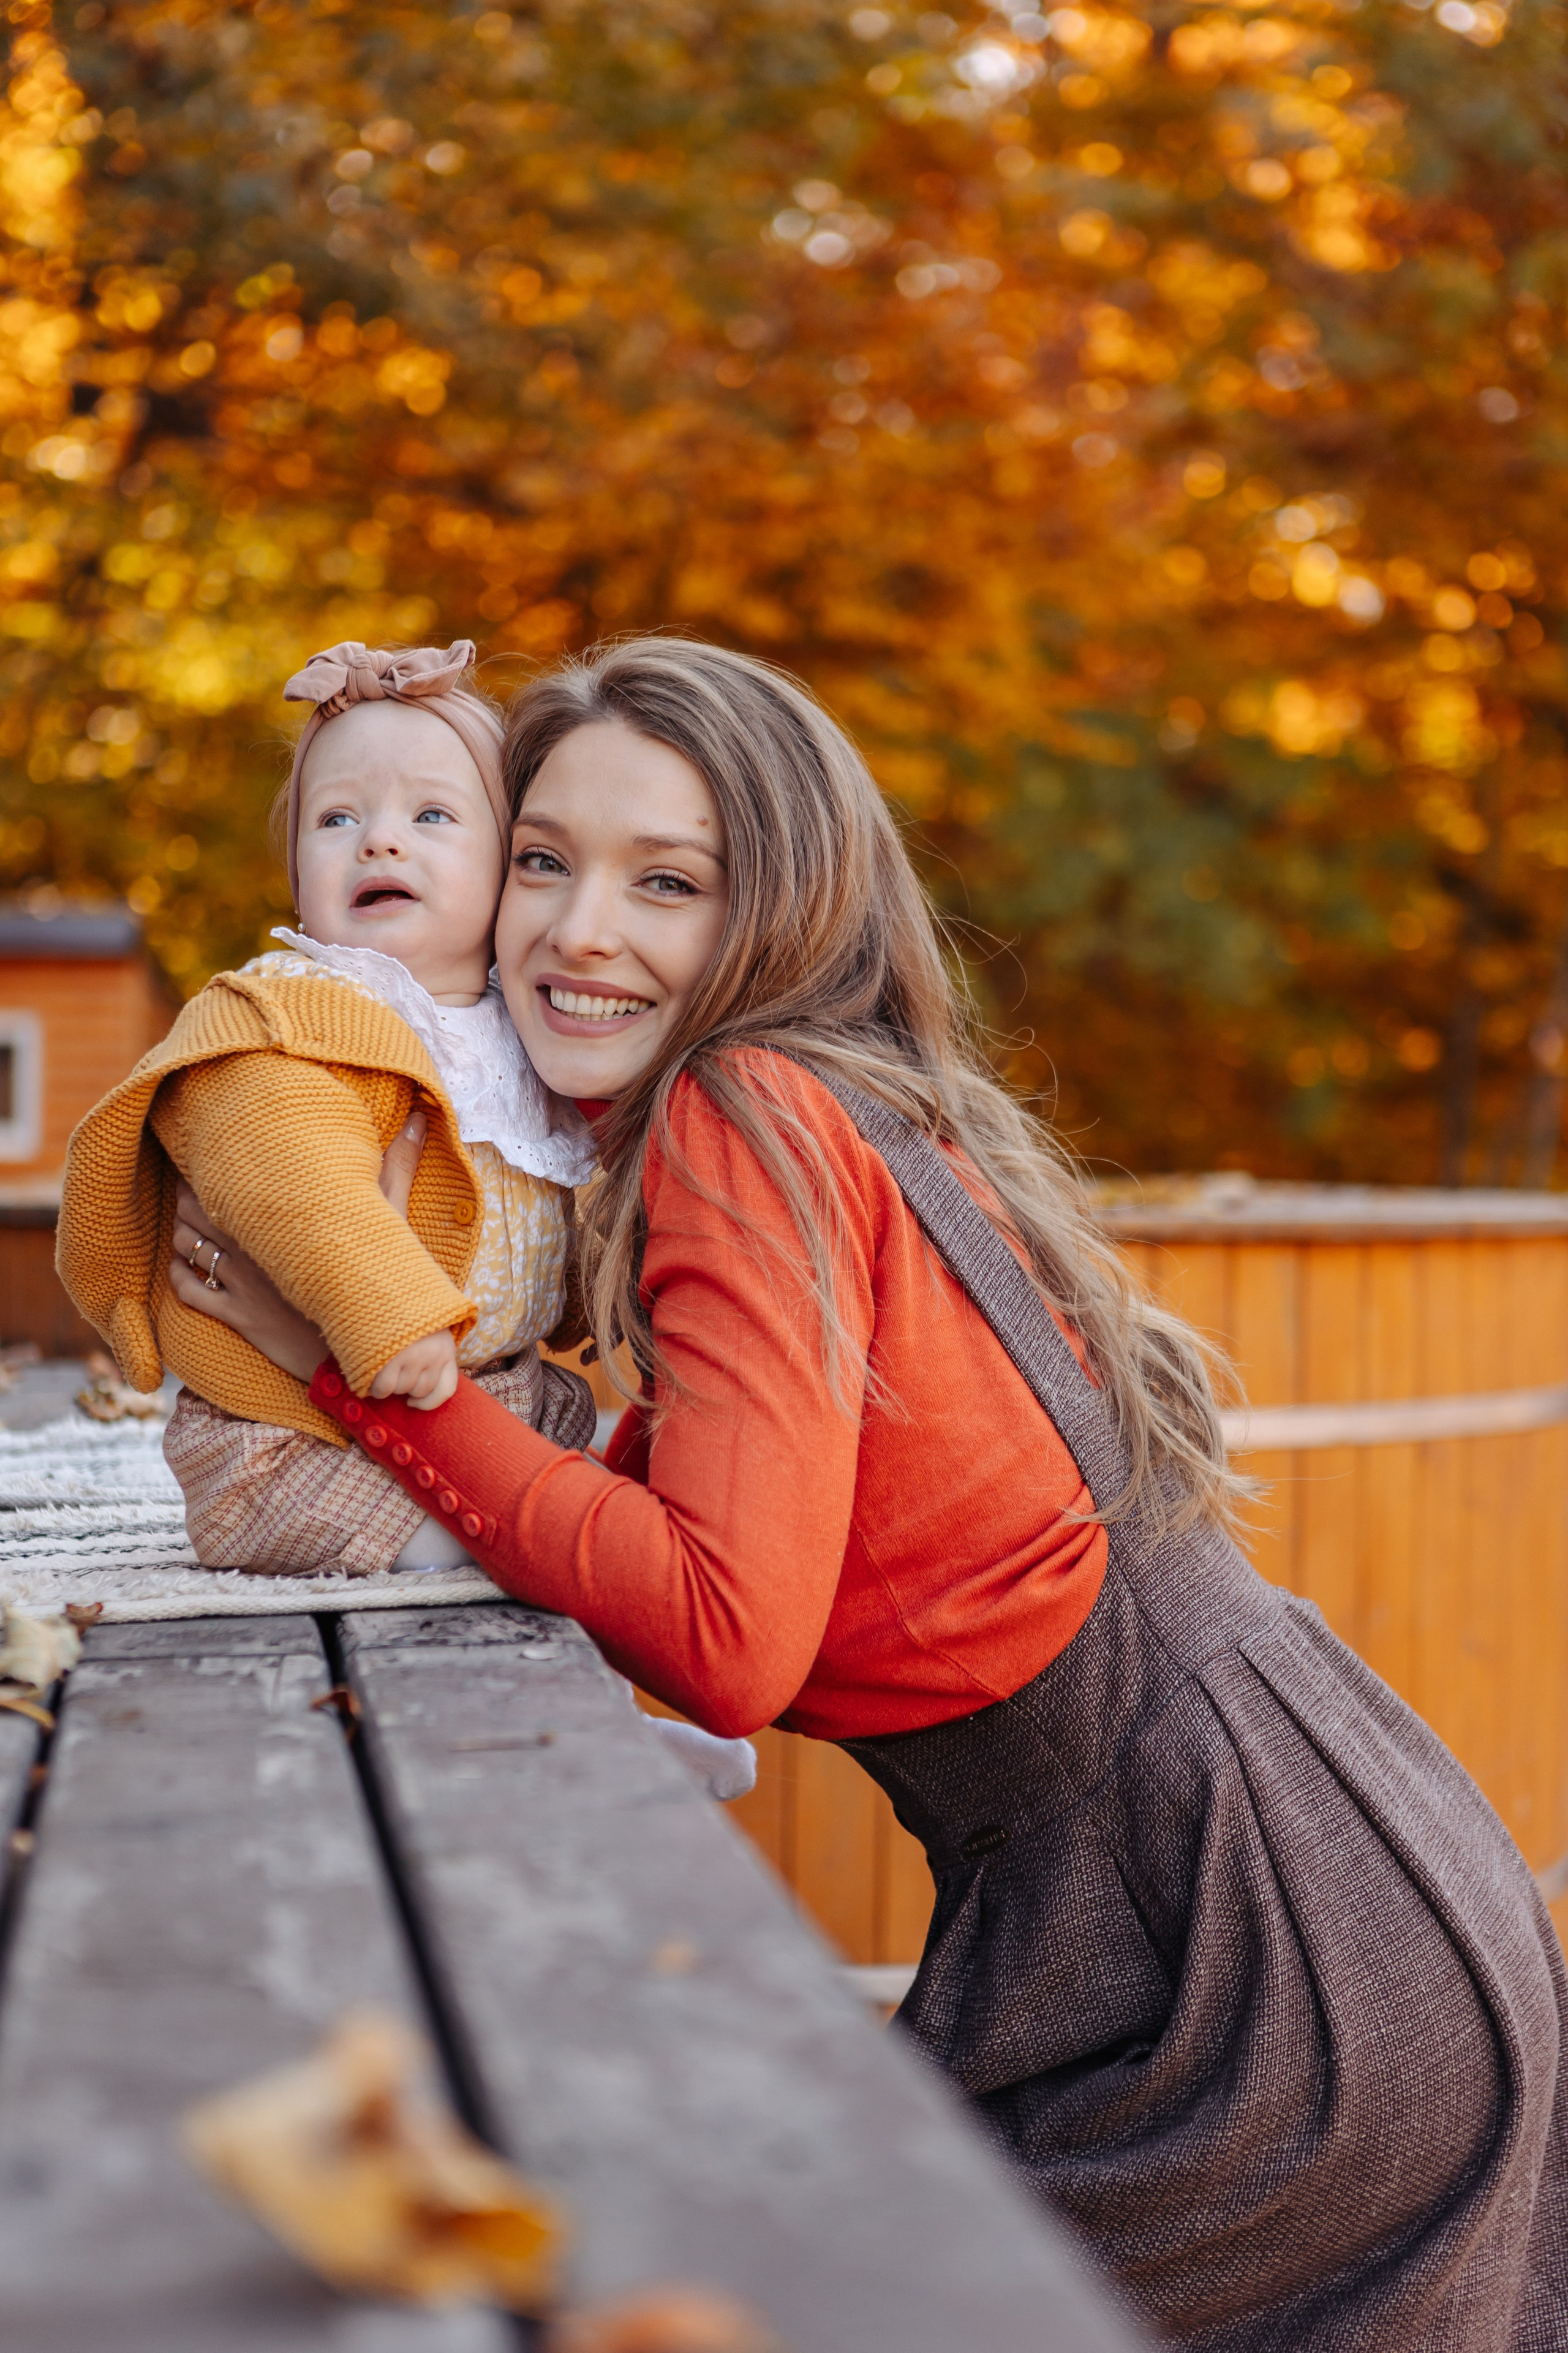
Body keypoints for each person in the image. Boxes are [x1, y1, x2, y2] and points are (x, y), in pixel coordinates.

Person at [170, 635, 1568, 2349]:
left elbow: (723, 1630)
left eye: (665, 881)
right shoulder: (835, 1103)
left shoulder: (740, 1118)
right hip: (1302, 1869)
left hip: (1248, 1959)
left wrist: (356, 1381)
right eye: (543, 859)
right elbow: (766, 1521)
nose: (578, 928)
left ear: (781, 910)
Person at [58, 639, 597, 1576]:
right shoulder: (291, 1012)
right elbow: (292, 1175)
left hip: (493, 1396)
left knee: (583, 1454)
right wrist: (393, 1316)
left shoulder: (521, 1033)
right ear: (299, 875)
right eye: (337, 817)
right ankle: (464, 1545)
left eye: (432, 815)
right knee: (423, 1529)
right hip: (294, 1432)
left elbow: (562, 1182)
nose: (380, 840)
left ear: (512, 865)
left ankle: (527, 1523)